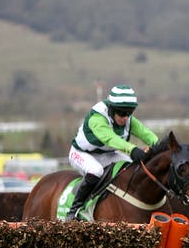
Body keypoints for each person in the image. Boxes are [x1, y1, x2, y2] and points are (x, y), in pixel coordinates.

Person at [65, 85, 159, 220]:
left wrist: (161, 147)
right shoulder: (97, 118)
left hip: (106, 155)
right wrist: (132, 149)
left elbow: (146, 134)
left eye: (129, 112)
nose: (126, 117)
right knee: (96, 171)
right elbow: (110, 138)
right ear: (111, 109)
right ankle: (74, 210)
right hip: (82, 154)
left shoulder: (127, 119)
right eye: (122, 113)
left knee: (131, 166)